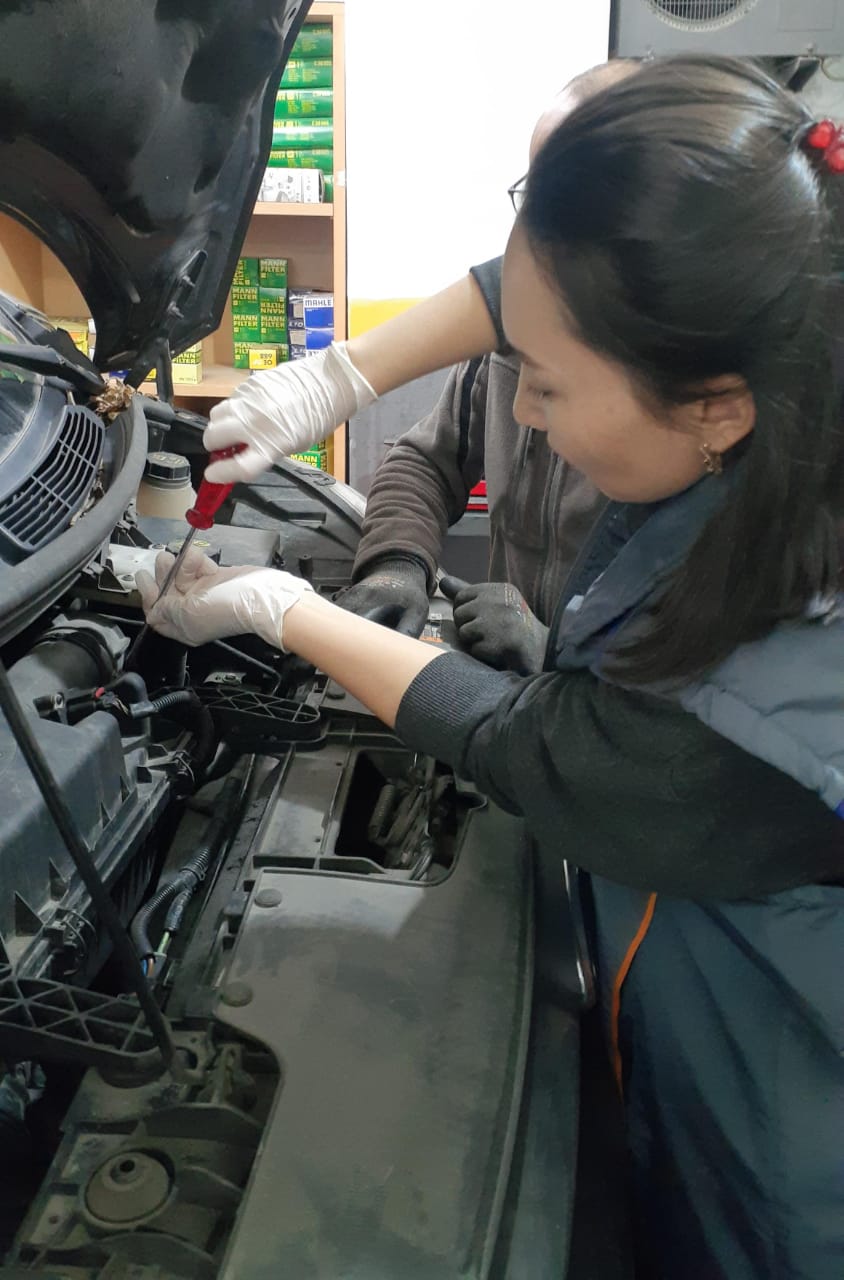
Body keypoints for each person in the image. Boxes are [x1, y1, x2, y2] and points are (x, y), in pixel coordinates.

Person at [139, 55, 844, 1279]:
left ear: (714, 406)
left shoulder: (782, 684)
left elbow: (542, 753)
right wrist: (345, 373)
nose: (522, 413)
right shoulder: (766, 343)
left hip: (774, 1115)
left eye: (550, 384)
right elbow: (514, 296)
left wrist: (286, 612)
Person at [203, 62, 634, 673]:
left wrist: (554, 653)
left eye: (567, 207)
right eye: (534, 198)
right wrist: (398, 564)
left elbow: (687, 680)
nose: (525, 409)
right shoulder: (512, 334)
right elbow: (425, 461)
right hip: (510, 698)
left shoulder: (690, 421)